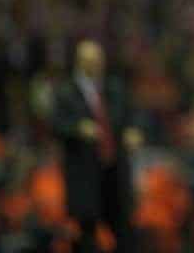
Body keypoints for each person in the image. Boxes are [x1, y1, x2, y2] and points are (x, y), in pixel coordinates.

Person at [53, 40, 143, 253]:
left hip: (114, 168)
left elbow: (130, 115)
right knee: (86, 232)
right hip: (85, 173)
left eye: (98, 60)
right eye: (90, 60)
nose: (96, 65)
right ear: (79, 62)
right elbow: (56, 123)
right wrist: (77, 128)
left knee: (123, 229)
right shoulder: (66, 91)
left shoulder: (114, 88)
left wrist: (132, 131)